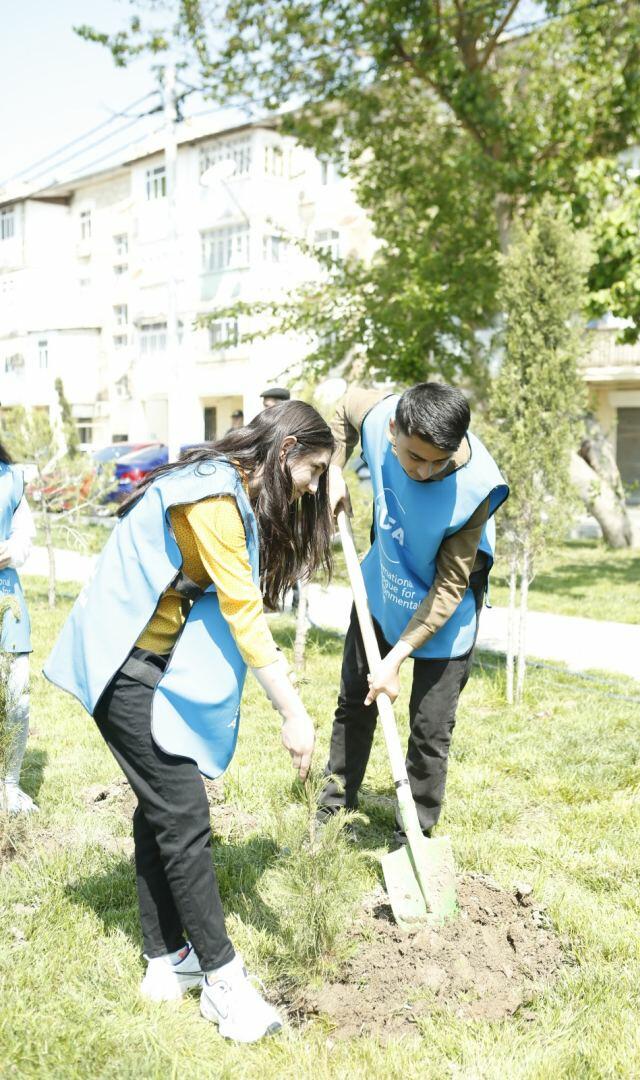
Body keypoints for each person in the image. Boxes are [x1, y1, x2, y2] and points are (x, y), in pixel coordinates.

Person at [44, 402, 334, 1044]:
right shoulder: (214, 499)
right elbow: (244, 614)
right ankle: (225, 984)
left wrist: (334, 477)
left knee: (162, 806)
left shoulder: (227, 482)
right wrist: (293, 712)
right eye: (312, 471)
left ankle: (167, 958)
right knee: (183, 812)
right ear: (286, 451)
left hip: (150, 660)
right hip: (122, 662)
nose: (313, 487)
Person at [319, 382, 508, 845]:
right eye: (415, 457)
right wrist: (335, 469)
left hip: (444, 617)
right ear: (392, 431)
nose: (425, 471)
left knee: (430, 731)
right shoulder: (379, 417)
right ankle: (331, 810)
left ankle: (413, 836)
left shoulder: (475, 489)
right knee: (354, 704)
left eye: (438, 462)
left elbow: (449, 588)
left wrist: (396, 658)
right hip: (383, 590)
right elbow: (343, 408)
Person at [0, 442, 36, 814]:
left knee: (16, 699)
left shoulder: (11, 479)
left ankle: (9, 787)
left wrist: (10, 551)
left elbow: (25, 537)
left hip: (6, 601)